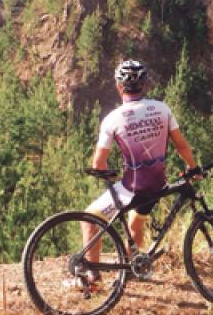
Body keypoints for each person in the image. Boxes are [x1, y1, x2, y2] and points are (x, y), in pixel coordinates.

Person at [79, 60, 201, 288]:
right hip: (157, 184)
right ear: (146, 85)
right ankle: (131, 270)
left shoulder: (113, 119)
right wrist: (193, 167)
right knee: (137, 219)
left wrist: (110, 178)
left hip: (133, 187)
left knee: (89, 219)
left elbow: (99, 162)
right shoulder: (163, 109)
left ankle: (92, 279)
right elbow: (181, 145)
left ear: (119, 87)